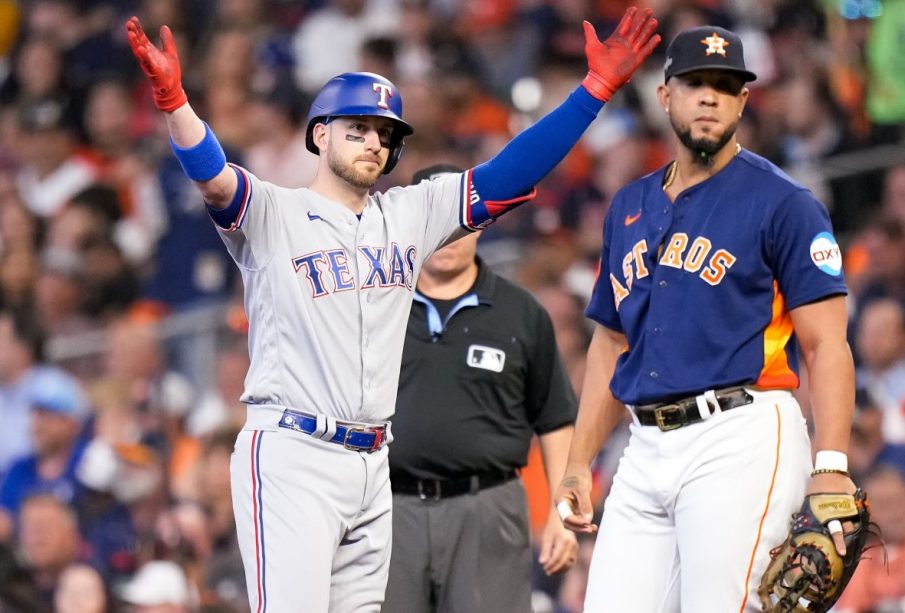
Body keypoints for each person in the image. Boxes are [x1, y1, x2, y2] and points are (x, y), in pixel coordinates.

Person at [125, 8, 660, 612]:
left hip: (373, 465)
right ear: (319, 133)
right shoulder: (274, 214)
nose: (374, 142)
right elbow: (217, 180)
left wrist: (592, 95)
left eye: (385, 134)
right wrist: (174, 102)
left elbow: (512, 169)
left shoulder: (409, 214)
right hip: (292, 452)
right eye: (358, 127)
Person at [553, 25, 859, 612]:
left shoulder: (784, 202)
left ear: (744, 101)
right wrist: (576, 463)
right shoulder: (628, 206)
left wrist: (832, 464)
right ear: (665, 96)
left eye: (726, 86)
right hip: (643, 445)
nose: (710, 97)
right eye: (696, 83)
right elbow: (611, 343)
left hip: (739, 432)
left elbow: (826, 345)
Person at [382, 164, 578, 613]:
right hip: (388, 510)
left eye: (461, 214)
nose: (449, 231)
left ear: (482, 220)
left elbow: (555, 420)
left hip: (488, 509)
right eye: (436, 215)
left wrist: (561, 515)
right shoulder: (375, 306)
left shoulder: (521, 312)